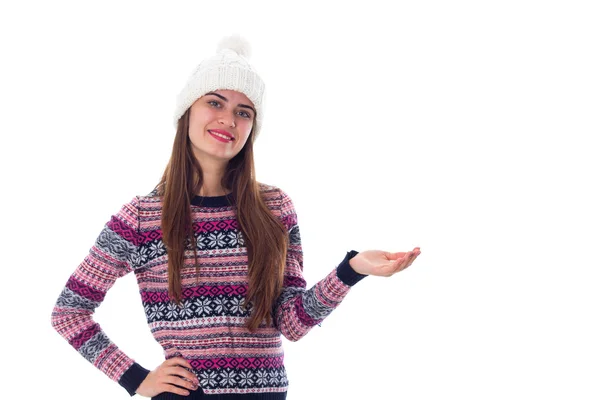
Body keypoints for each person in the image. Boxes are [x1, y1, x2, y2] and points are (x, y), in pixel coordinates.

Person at [50, 34, 421, 399]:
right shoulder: (143, 217)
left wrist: (352, 269)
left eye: (243, 112)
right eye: (215, 102)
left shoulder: (274, 209)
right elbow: (69, 312)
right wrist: (136, 378)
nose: (229, 119)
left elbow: (291, 323)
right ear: (187, 111)